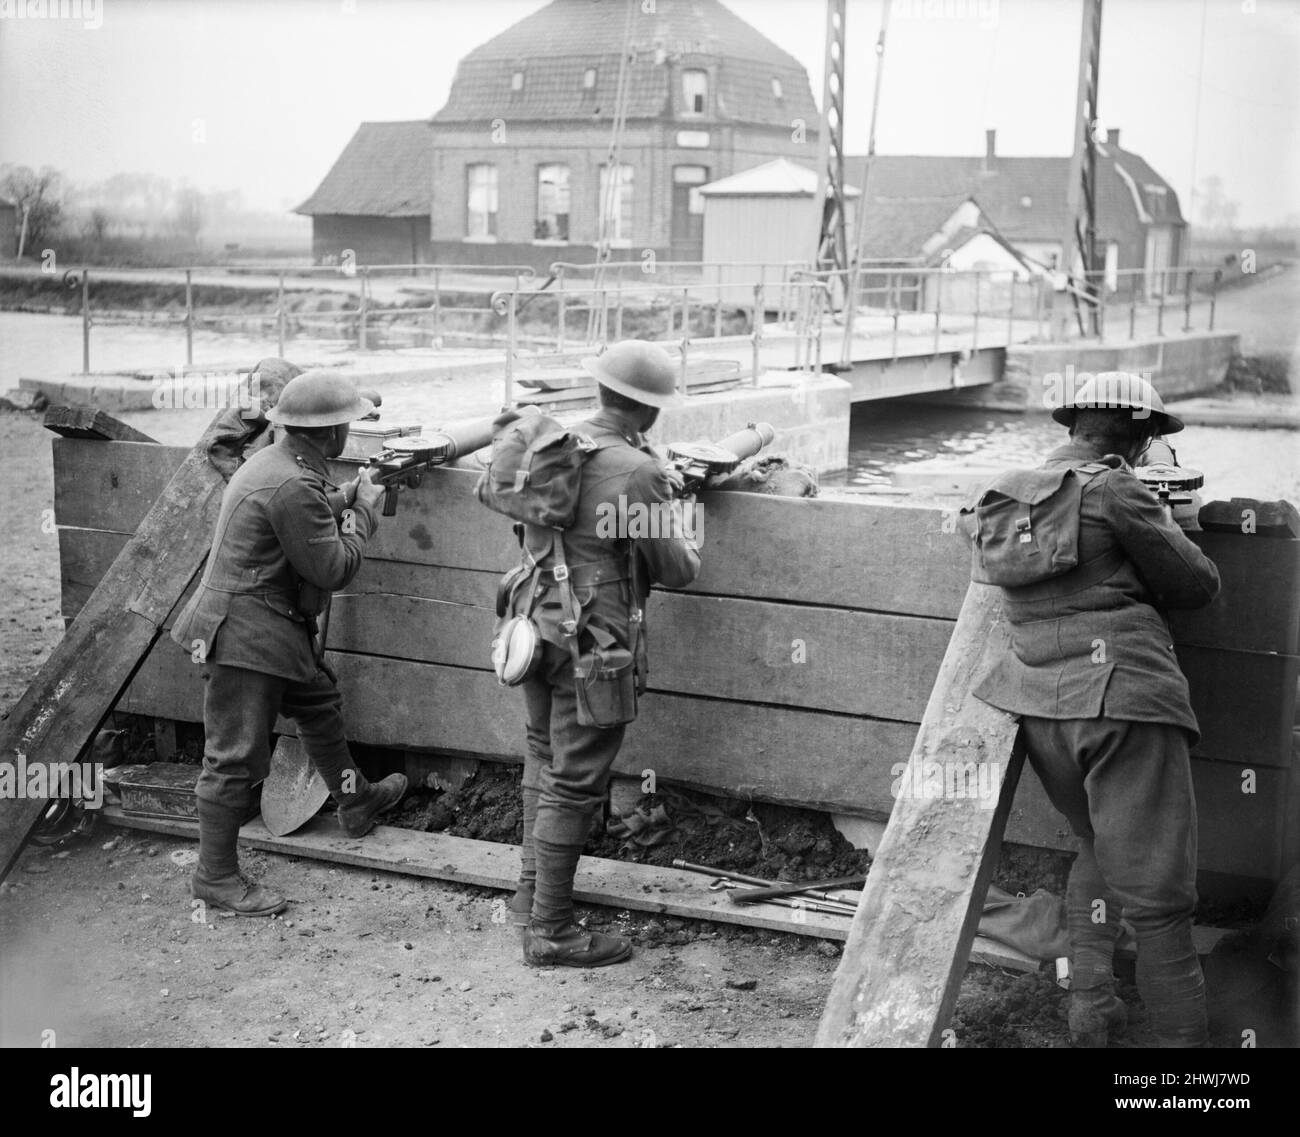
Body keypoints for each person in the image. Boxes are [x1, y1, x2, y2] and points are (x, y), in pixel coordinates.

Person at [967, 371, 1220, 1047]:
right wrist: (1156, 510)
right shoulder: (1116, 488)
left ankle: (1092, 1009)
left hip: (1042, 711)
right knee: (1164, 902)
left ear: (1071, 424)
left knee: (1096, 844)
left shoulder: (1000, 492)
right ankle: (1180, 1059)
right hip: (1126, 703)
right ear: (1140, 438)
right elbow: (1197, 584)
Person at [172, 370, 407, 917]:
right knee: (232, 758)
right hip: (245, 635)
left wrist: (347, 496)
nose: (348, 431)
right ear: (329, 435)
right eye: (345, 424)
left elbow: (310, 511)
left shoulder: (284, 462)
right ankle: (216, 879)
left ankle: (354, 800)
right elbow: (332, 567)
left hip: (267, 625)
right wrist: (365, 511)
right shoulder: (289, 483)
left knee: (318, 703)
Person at [502, 340, 702, 967]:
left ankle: (530, 897)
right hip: (594, 645)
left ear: (601, 393)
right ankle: (552, 933)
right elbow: (677, 569)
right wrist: (677, 506)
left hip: (532, 627)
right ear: (649, 412)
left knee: (544, 755)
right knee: (576, 779)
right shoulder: (638, 473)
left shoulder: (556, 447)